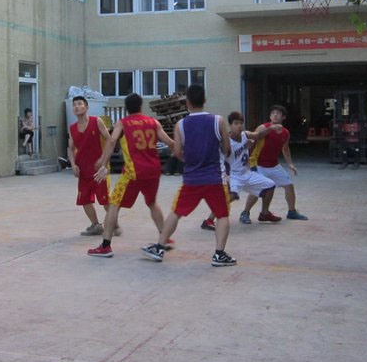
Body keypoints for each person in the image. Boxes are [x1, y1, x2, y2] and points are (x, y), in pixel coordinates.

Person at [139, 84, 235, 267]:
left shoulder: (181, 124)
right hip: (215, 178)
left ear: (187, 102)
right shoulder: (218, 121)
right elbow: (227, 148)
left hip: (191, 179)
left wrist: (189, 161)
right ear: (204, 100)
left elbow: (176, 152)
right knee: (222, 215)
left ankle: (159, 248)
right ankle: (219, 255)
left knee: (176, 213)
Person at [87, 93, 175, 257]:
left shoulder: (123, 123)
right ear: (141, 106)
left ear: (127, 108)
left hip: (133, 172)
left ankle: (105, 246)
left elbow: (111, 141)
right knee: (152, 202)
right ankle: (165, 238)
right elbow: (170, 143)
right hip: (154, 171)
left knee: (114, 204)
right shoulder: (153, 122)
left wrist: (104, 163)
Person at [200, 111, 281, 227]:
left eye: (241, 123)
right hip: (234, 175)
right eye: (236, 123)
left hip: (247, 173)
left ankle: (264, 213)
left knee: (270, 185)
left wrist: (271, 128)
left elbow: (258, 135)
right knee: (231, 196)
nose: (239, 126)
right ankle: (208, 220)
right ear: (230, 125)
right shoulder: (226, 142)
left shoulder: (245, 135)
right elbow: (217, 158)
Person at [250, 104, 308, 220]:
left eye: (278, 113)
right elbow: (251, 142)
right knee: (257, 190)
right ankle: (245, 213)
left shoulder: (286, 133)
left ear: (284, 117)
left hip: (274, 165)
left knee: (289, 186)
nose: (275, 115)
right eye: (273, 113)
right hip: (259, 165)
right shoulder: (263, 128)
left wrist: (290, 164)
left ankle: (292, 212)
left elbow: (285, 148)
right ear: (270, 117)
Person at [67, 96, 113, 236]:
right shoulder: (72, 128)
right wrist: (73, 164)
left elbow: (110, 140)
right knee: (84, 199)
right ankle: (96, 225)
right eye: (74, 105)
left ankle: (114, 224)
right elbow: (70, 148)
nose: (76, 106)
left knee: (104, 200)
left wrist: (103, 160)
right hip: (83, 170)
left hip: (99, 170)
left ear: (86, 107)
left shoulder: (96, 121)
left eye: (79, 104)